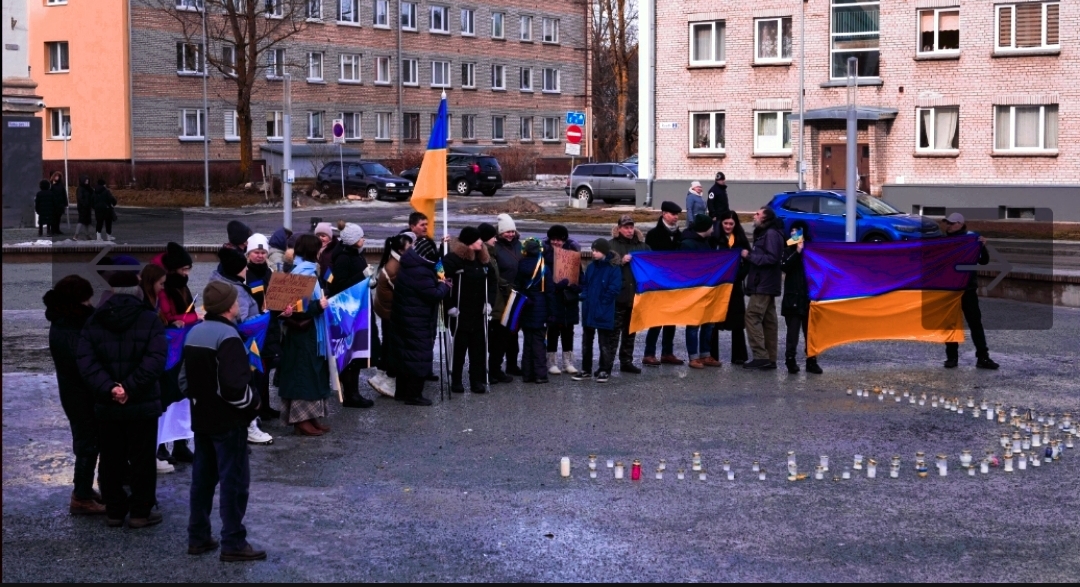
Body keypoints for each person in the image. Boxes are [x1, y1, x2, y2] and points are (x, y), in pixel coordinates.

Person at [181, 281, 266, 562]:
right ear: (230, 306)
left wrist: (200, 398)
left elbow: (183, 380)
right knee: (234, 482)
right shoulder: (228, 337)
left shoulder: (195, 332)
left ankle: (198, 536)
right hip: (228, 421)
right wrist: (253, 404)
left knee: (202, 481)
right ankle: (233, 542)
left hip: (201, 417)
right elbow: (233, 387)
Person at [76, 264, 167, 528]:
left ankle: (114, 510)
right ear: (137, 290)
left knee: (111, 457)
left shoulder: (94, 320)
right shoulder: (149, 319)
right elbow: (156, 359)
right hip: (142, 401)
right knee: (142, 459)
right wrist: (130, 387)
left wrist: (110, 389)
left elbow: (86, 360)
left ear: (113, 291)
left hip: (107, 404)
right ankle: (140, 511)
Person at [44, 275, 105, 515]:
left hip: (74, 391)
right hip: (79, 393)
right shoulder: (70, 328)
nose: (90, 304)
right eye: (86, 301)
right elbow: (83, 363)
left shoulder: (65, 321)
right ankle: (81, 495)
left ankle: (84, 490)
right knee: (87, 442)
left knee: (88, 440)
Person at [210, 246, 272, 445]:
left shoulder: (218, 280)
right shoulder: (236, 290)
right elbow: (242, 322)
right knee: (246, 382)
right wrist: (266, 316)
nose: (247, 270)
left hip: (229, 342)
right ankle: (249, 425)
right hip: (243, 345)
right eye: (244, 267)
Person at [277, 234, 334, 433]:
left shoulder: (306, 270)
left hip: (310, 332)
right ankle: (301, 419)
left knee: (314, 372)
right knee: (304, 373)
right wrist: (319, 305)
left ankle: (311, 416)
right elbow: (295, 308)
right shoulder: (303, 273)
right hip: (304, 334)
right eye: (318, 248)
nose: (321, 251)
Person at [390, 238, 451, 406]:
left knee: (405, 356)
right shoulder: (420, 272)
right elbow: (433, 294)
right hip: (417, 319)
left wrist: (440, 257)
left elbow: (436, 264)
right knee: (419, 357)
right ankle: (414, 395)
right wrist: (444, 285)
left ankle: (401, 393)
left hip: (404, 316)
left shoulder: (410, 263)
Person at [328, 223, 377, 408]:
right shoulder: (343, 258)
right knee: (351, 354)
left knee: (356, 353)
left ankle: (353, 392)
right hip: (349, 311)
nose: (363, 240)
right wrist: (362, 276)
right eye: (361, 237)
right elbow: (340, 285)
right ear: (353, 240)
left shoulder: (356, 254)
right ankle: (351, 394)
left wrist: (371, 281)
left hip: (359, 307)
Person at [443, 226, 497, 394]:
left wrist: (489, 302)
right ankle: (456, 380)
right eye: (477, 239)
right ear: (468, 242)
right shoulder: (452, 259)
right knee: (459, 348)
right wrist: (449, 305)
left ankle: (477, 380)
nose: (481, 242)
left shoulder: (483, 260)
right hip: (460, 312)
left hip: (478, 312)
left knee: (478, 349)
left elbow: (492, 282)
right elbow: (441, 280)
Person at [943, 213, 999, 370]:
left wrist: (982, 246)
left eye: (952, 223)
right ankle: (951, 357)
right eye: (947, 223)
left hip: (968, 289)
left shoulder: (971, 239)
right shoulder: (943, 241)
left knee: (975, 324)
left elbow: (983, 261)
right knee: (951, 325)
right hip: (950, 290)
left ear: (960, 224)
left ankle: (983, 357)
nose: (948, 225)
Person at [245, 233, 285, 420]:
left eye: (263, 252)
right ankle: (257, 409)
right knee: (256, 371)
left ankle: (265, 406)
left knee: (266, 368)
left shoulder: (269, 272)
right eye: (256, 252)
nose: (260, 255)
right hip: (255, 328)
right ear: (248, 253)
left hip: (271, 326)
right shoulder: (246, 273)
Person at [573, 238, 622, 383]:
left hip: (603, 309)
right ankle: (586, 369)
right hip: (589, 308)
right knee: (586, 342)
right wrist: (584, 297)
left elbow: (614, 289)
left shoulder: (613, 268)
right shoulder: (592, 267)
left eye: (597, 251)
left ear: (604, 251)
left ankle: (604, 370)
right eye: (593, 250)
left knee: (604, 342)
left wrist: (603, 303)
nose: (593, 253)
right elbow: (586, 284)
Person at [642, 202, 685, 367]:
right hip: (658, 282)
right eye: (673, 214)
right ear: (664, 214)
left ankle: (667, 352)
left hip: (674, 282)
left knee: (671, 317)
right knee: (656, 318)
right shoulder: (654, 234)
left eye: (677, 215)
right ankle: (649, 353)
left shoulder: (679, 234)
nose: (676, 217)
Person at [743, 207, 785, 370]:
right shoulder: (766, 233)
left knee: (752, 316)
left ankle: (761, 356)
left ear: (765, 219)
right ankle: (770, 358)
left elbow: (772, 258)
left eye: (758, 214)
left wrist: (749, 256)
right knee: (768, 321)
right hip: (766, 282)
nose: (754, 216)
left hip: (764, 283)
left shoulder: (771, 234)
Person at [372, 233, 414, 397]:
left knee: (389, 344)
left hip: (388, 310)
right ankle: (389, 380)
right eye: (410, 247)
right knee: (393, 347)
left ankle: (384, 376)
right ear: (401, 249)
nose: (413, 250)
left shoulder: (396, 262)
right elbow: (405, 290)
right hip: (391, 312)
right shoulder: (394, 267)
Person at [608, 215, 650, 374]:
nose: (629, 230)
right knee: (613, 334)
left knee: (630, 332)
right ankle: (608, 363)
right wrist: (619, 261)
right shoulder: (610, 245)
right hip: (618, 296)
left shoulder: (643, 247)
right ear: (619, 228)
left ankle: (626, 361)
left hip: (636, 297)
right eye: (626, 227)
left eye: (631, 227)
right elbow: (601, 264)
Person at [681, 214, 722, 369]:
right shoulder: (687, 244)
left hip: (708, 288)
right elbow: (686, 267)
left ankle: (705, 354)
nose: (713, 229)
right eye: (711, 226)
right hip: (694, 288)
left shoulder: (705, 241)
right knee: (693, 323)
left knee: (709, 322)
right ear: (705, 228)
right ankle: (693, 357)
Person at [781, 227, 823, 375]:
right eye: (792, 232)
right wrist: (797, 252)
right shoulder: (788, 251)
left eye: (797, 232)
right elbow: (784, 266)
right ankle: (790, 360)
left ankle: (811, 360)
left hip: (808, 297)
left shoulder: (811, 252)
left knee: (810, 332)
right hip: (793, 297)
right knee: (792, 333)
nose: (795, 235)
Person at [711, 210, 750, 365]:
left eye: (731, 224)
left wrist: (739, 275)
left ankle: (739, 355)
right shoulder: (714, 240)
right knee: (713, 321)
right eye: (725, 223)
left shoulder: (740, 240)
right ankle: (711, 354)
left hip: (735, 285)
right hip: (717, 286)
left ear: (735, 224)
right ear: (721, 223)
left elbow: (748, 260)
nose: (728, 226)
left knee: (738, 321)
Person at [543, 224, 582, 376]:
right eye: (553, 239)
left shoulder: (572, 253)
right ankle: (551, 361)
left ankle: (568, 361)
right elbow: (543, 276)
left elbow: (580, 274)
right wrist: (555, 286)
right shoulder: (545, 254)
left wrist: (578, 286)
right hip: (554, 297)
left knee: (568, 330)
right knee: (552, 330)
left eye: (559, 240)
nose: (556, 242)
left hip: (570, 298)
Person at [477, 222, 512, 384]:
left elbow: (497, 279)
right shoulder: (483, 256)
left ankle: (495, 369)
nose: (495, 240)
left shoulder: (492, 254)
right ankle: (487, 371)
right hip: (490, 305)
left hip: (498, 303)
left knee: (500, 339)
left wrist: (510, 287)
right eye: (492, 237)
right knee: (491, 340)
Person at [490, 213, 522, 377]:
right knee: (501, 334)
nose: (510, 235)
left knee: (514, 332)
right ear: (500, 233)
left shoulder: (519, 245)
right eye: (506, 232)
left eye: (512, 231)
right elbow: (494, 272)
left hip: (517, 294)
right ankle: (496, 367)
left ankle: (512, 364)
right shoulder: (495, 248)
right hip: (503, 295)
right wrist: (505, 285)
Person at [516, 238, 551, 383]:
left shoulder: (521, 265)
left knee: (528, 341)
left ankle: (527, 373)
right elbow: (549, 292)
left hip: (526, 306)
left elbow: (518, 286)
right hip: (540, 307)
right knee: (539, 342)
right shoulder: (544, 267)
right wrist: (552, 312)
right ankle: (540, 374)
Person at [74, 176, 94, 240]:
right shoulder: (80, 189)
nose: (87, 182)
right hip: (82, 207)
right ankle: (76, 235)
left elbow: (92, 195)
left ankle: (87, 235)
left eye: (87, 180)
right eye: (86, 180)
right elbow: (80, 198)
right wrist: (85, 204)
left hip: (88, 207)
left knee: (87, 222)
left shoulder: (89, 188)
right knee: (81, 220)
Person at [50, 171, 68, 236]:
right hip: (53, 204)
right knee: (53, 218)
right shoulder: (51, 185)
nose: (57, 177)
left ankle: (57, 229)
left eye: (58, 176)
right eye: (56, 176)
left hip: (60, 204)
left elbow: (64, 194)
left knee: (58, 218)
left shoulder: (61, 185)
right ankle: (52, 230)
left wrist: (65, 203)